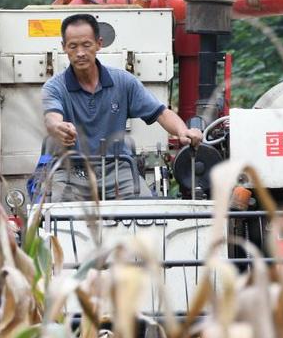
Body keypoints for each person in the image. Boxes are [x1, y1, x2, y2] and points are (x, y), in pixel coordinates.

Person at [41, 13, 203, 201]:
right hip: (70, 171)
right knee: (54, 214)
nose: (80, 53)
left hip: (118, 168)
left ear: (99, 44)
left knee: (147, 211)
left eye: (86, 45)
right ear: (63, 48)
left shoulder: (123, 81)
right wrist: (58, 128)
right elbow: (52, 117)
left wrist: (183, 131)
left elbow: (161, 112)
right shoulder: (54, 87)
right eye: (73, 46)